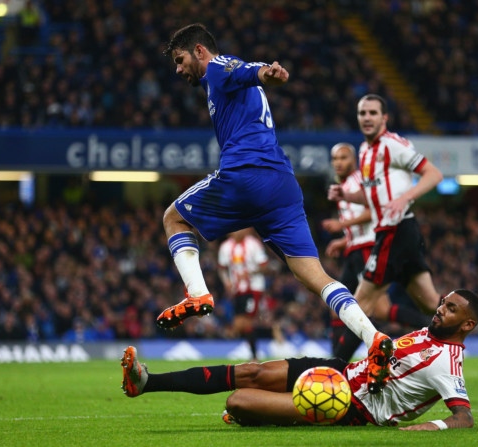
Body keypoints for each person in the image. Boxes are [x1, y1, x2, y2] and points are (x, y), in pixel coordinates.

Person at [157, 23, 393, 391]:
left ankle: (197, 292)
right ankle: (375, 339)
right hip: (282, 186)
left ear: (199, 51)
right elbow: (249, 76)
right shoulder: (219, 83)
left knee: (173, 218)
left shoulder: (218, 67)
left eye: (180, 59)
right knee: (316, 278)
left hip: (246, 175)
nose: (177, 68)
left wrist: (266, 71)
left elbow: (245, 70)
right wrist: (265, 75)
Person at [328, 94, 478, 360]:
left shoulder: (392, 145)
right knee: (432, 303)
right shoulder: (365, 152)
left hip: (396, 230)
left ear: (384, 118)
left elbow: (433, 174)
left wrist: (405, 197)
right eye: (362, 113)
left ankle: (332, 371)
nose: (367, 118)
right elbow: (374, 198)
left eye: (373, 113)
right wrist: (347, 196)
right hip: (396, 232)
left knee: (360, 304)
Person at [121, 289, 478, 430]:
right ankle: (147, 382)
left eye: (450, 309)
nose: (440, 310)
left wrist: (421, 428)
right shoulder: (425, 331)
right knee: (253, 371)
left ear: (467, 324)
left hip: (350, 405)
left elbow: (463, 417)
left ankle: (261, 416)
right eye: (442, 303)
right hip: (338, 371)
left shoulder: (447, 363)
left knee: (239, 401)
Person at [323, 142, 429, 361]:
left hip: (367, 248)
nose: (339, 163)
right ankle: (335, 362)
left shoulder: (359, 182)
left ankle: (428, 328)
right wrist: (344, 241)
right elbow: (359, 224)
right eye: (335, 159)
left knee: (379, 310)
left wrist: (341, 225)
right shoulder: (342, 185)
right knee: (336, 308)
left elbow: (374, 211)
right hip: (354, 250)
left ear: (354, 160)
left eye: (343, 158)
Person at [217, 228, 271, 360]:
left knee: (246, 322)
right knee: (240, 324)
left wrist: (249, 273)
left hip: (253, 288)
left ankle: (254, 357)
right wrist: (226, 282)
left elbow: (265, 267)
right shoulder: (225, 247)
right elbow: (222, 268)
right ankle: (252, 354)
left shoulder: (253, 244)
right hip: (237, 290)